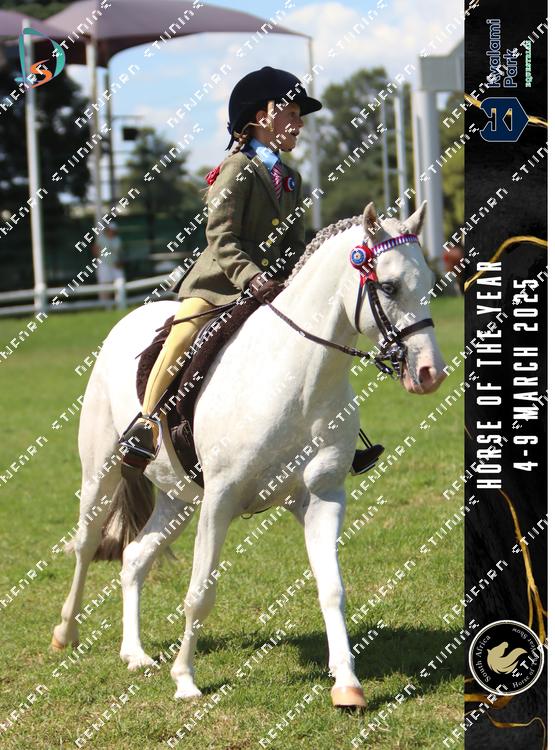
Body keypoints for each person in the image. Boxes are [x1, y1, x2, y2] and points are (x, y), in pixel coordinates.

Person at [119, 66, 382, 477]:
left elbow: (294, 245)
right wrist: (251, 277)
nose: (299, 124)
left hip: (269, 288)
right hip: (218, 285)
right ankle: (146, 423)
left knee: (315, 344)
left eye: (299, 116)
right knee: (182, 336)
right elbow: (221, 237)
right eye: (291, 113)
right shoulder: (236, 168)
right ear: (262, 117)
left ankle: (339, 435)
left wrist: (303, 276)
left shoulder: (291, 179)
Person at [92, 222, 125, 303]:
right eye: (110, 230)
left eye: (113, 230)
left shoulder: (117, 240)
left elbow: (120, 253)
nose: (112, 232)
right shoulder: (101, 239)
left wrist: (119, 262)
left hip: (116, 265)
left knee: (120, 283)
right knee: (104, 286)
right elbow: (95, 249)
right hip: (104, 265)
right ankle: (105, 305)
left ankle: (120, 303)